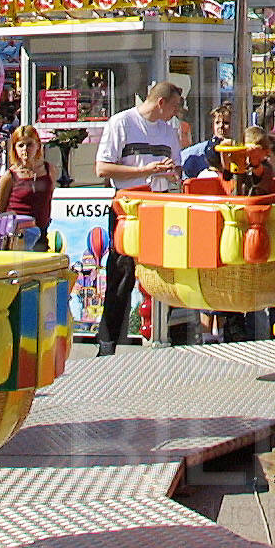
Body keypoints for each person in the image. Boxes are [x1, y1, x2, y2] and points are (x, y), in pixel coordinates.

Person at [93, 81, 188, 355]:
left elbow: (177, 169)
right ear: (161, 102)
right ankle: (108, 341)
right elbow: (102, 168)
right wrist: (146, 170)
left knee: (166, 270)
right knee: (121, 272)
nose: (176, 112)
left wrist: (171, 171)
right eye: (174, 106)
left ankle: (166, 333)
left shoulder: (169, 131)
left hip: (160, 203)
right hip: (129, 206)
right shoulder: (121, 123)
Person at [0, 125, 56, 249]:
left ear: (38, 145)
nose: (25, 149)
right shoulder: (9, 176)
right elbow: (1, 208)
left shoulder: (49, 170)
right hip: (18, 235)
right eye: (21, 145)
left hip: (42, 232)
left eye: (29, 144)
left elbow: (49, 196)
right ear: (14, 148)